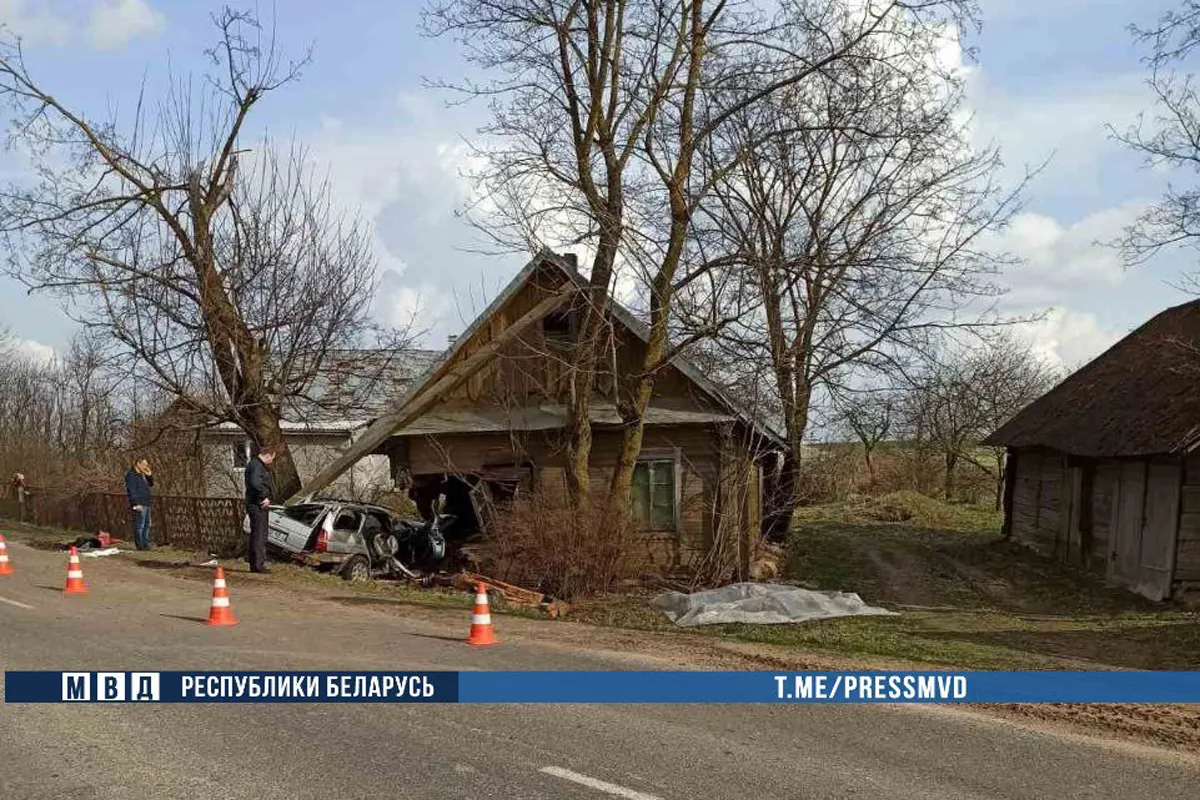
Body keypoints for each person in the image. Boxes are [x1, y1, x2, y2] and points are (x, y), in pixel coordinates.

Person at [244, 442, 277, 574]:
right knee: (260, 534)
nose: (272, 461)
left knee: (256, 534)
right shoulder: (257, 466)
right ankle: (258, 565)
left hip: (254, 503)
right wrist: (264, 496)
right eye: (272, 458)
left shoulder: (253, 465)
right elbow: (255, 483)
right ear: (268, 455)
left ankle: (255, 563)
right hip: (258, 504)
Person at [123, 459, 154, 550]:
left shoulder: (143, 474)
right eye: (144, 464)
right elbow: (131, 490)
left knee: (147, 524)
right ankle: (140, 545)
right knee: (139, 525)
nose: (146, 467)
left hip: (146, 502)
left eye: (147, 464)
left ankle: (145, 543)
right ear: (138, 464)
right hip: (139, 503)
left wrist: (149, 476)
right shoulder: (131, 475)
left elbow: (151, 484)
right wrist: (136, 503)